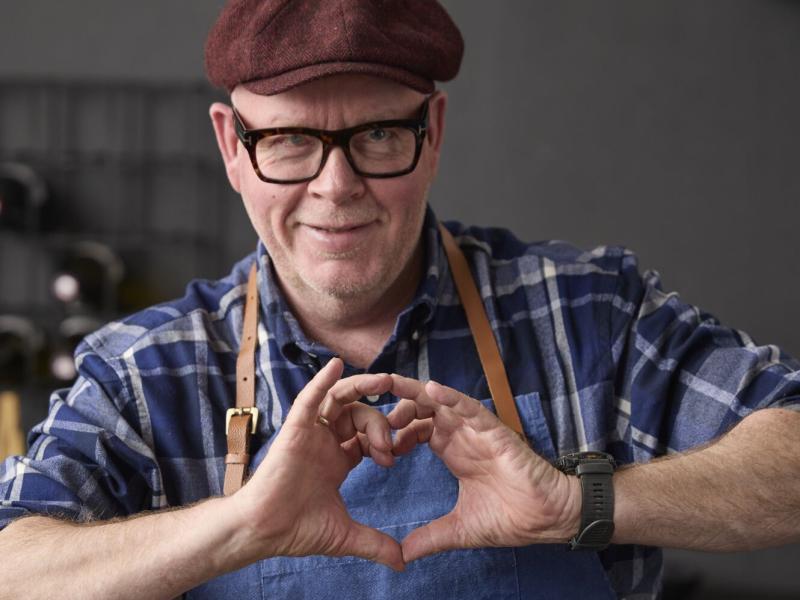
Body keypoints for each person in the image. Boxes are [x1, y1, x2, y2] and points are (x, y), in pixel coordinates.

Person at [1, 1, 799, 598]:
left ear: (433, 132)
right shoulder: (146, 375)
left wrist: (576, 502)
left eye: (378, 136)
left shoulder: (588, 314)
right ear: (231, 148)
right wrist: (238, 527)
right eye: (289, 141)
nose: (335, 187)